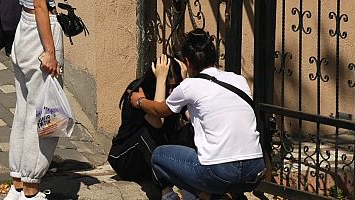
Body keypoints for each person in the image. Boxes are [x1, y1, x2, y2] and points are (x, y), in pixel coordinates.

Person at [129, 28, 265, 200]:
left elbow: (158, 111)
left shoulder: (190, 86)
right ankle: (216, 194)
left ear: (187, 61)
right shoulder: (239, 80)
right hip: (254, 171)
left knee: (158, 156)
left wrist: (140, 100)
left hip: (219, 172)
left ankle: (209, 195)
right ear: (214, 58)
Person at [4, 0, 63, 200]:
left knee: (24, 112)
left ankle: (18, 186)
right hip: (41, 29)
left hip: (25, 26)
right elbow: (40, 5)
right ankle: (31, 191)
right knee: (44, 114)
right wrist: (50, 52)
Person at [108, 54, 188, 197]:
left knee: (189, 131)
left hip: (152, 161)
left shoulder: (176, 92)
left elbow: (192, 117)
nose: (171, 92)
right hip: (127, 158)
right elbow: (157, 122)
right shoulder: (138, 91)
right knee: (147, 132)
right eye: (168, 87)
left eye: (174, 86)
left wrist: (185, 84)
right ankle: (166, 191)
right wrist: (161, 80)